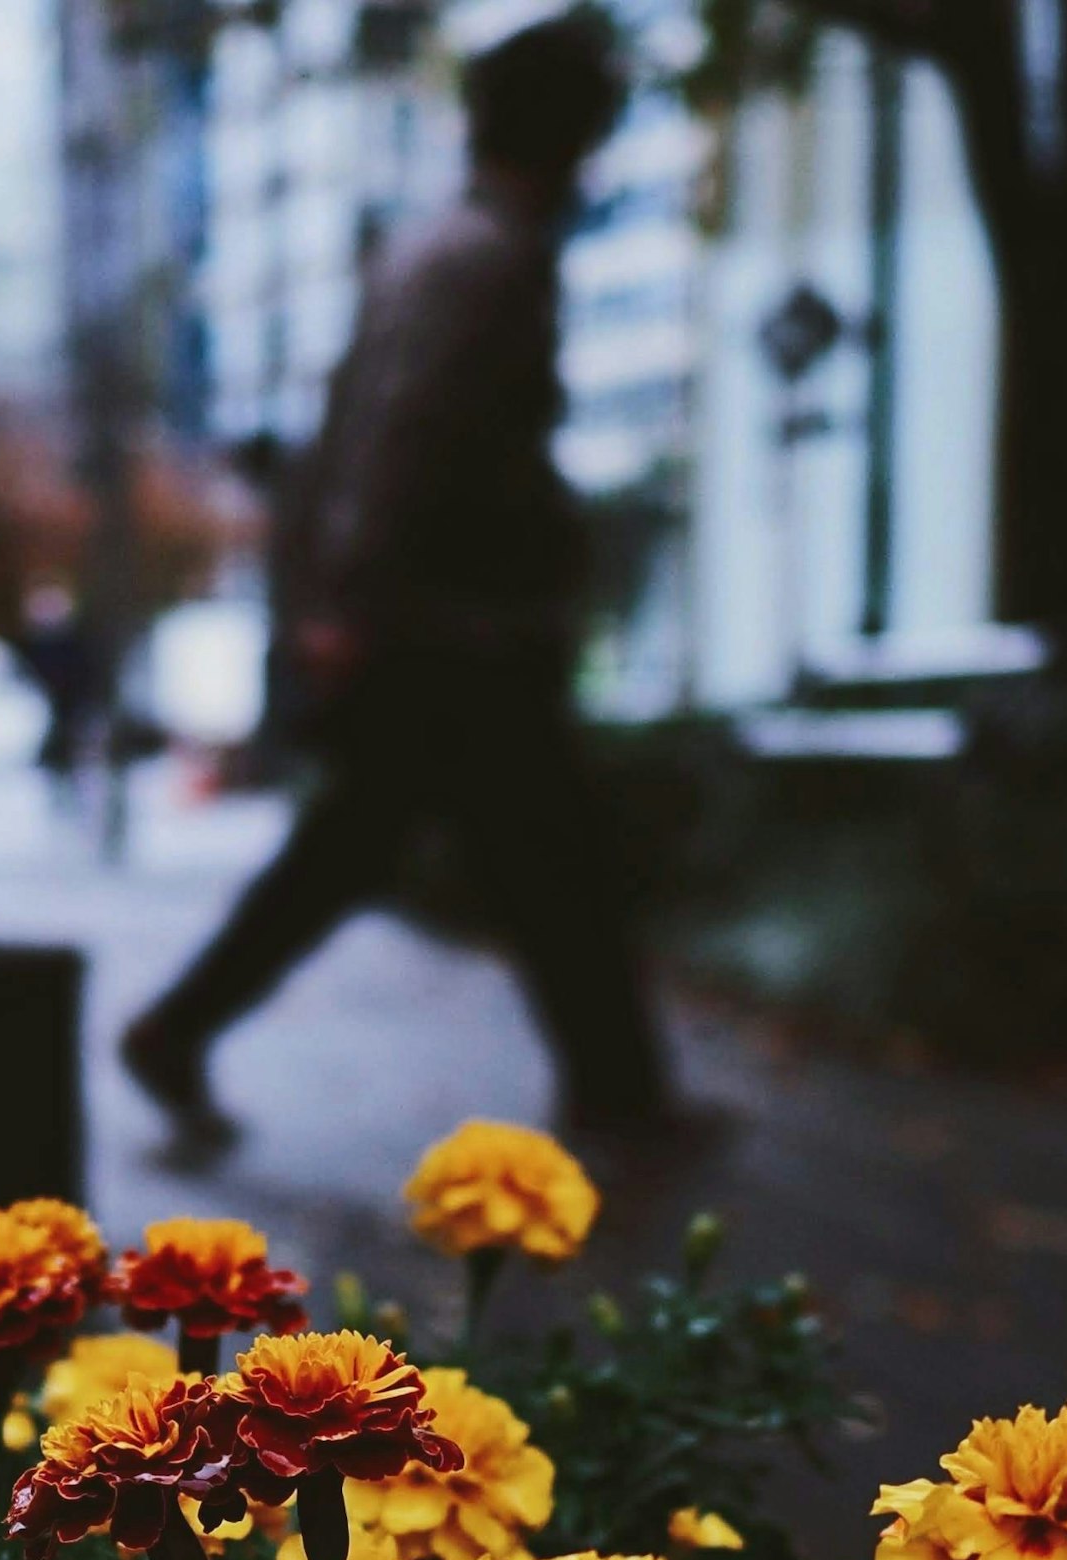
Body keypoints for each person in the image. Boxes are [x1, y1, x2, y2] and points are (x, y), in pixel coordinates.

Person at [119, 7, 673, 1145]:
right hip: (450, 629)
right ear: (568, 138)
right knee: (522, 850)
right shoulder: (477, 260)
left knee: (394, 845)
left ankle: (182, 1027)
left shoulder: (452, 248)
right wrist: (351, 606)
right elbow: (396, 437)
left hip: (441, 622)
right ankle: (619, 1088)